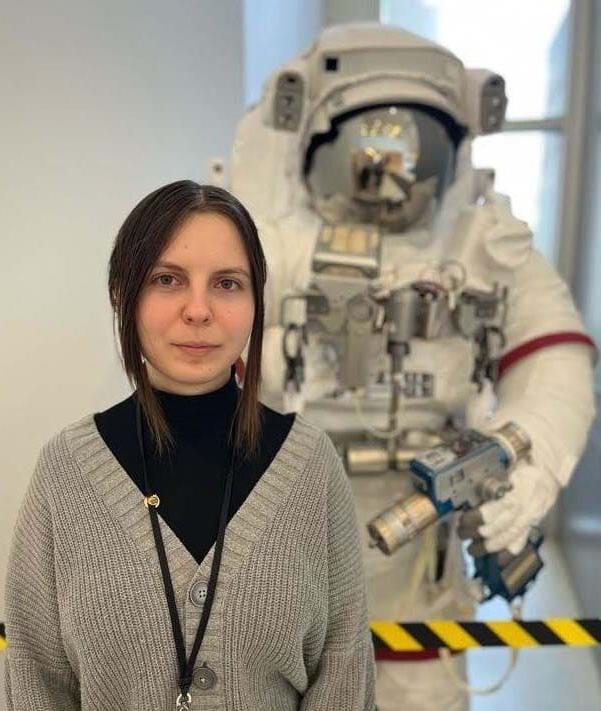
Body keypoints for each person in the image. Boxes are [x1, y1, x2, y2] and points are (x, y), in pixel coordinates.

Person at [230, 23, 598, 711]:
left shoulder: (481, 247)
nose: (388, 166)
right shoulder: (267, 244)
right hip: (281, 537)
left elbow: (553, 353)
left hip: (420, 552)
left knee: (418, 691)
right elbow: (189, 338)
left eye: (414, 143)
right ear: (310, 144)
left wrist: (532, 461)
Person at [4, 181, 377, 710]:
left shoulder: (312, 467)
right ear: (122, 293)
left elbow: (345, 683)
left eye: (227, 283)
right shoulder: (65, 472)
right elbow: (33, 684)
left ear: (254, 302)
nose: (198, 310)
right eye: (167, 279)